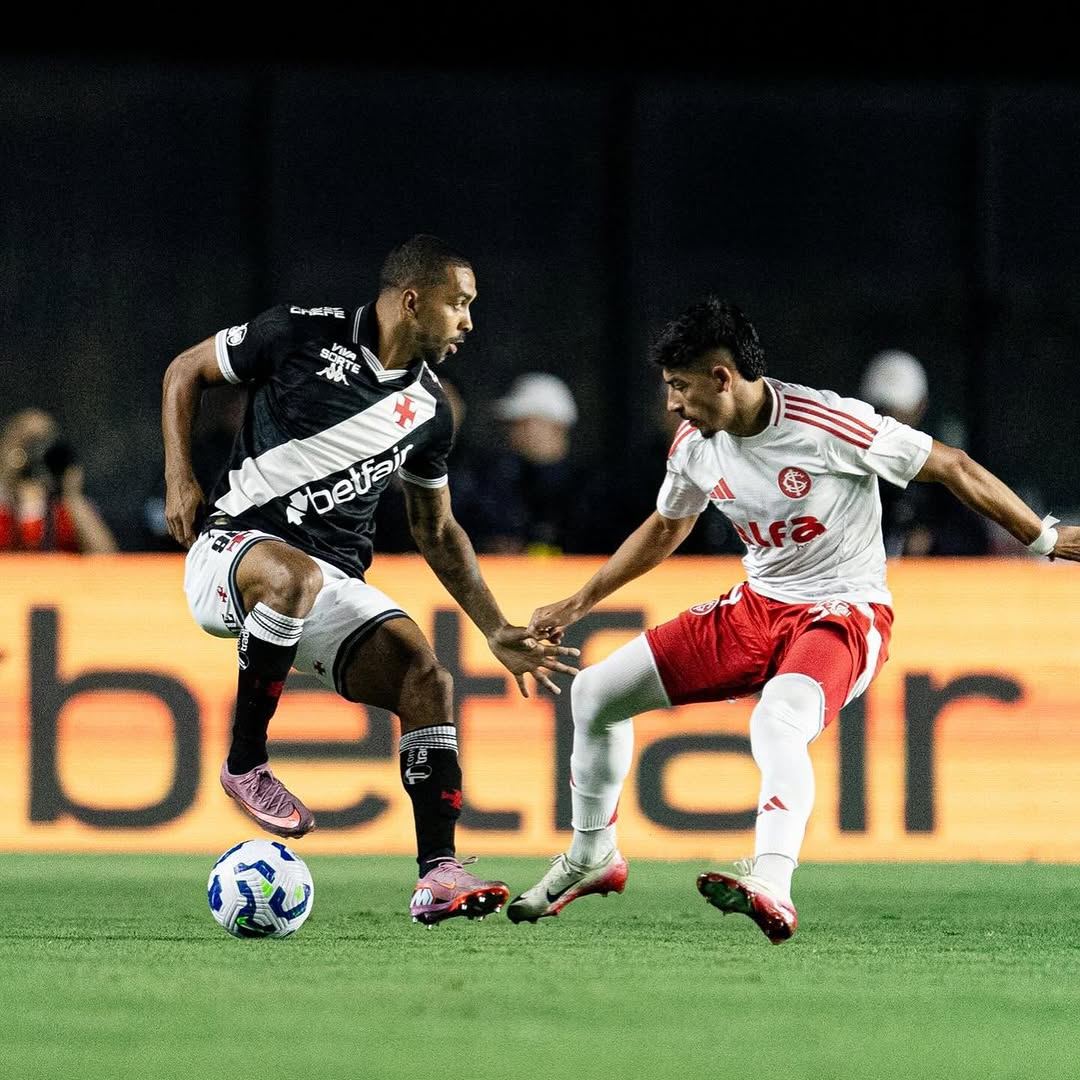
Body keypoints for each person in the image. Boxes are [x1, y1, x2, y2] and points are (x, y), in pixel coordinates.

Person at [506, 297, 1079, 942]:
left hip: (843, 610)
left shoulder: (827, 422)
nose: (672, 404)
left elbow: (951, 466)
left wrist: (1043, 538)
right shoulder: (696, 444)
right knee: (595, 693)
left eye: (680, 386)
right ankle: (592, 856)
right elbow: (668, 526)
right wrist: (579, 601)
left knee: (777, 720)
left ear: (722, 377)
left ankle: (772, 882)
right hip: (756, 607)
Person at [162, 234, 578, 926]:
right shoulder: (297, 332)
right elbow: (185, 370)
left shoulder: (431, 410)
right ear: (412, 301)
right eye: (459, 304)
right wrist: (180, 475)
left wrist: (495, 627)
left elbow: (436, 530)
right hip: (231, 549)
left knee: (428, 679)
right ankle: (246, 761)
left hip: (323, 582)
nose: (468, 322)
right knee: (292, 577)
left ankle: (438, 873)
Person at [858, 349, 992, 557]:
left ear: (920, 406)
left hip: (924, 576)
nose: (889, 423)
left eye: (899, 414)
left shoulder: (940, 468)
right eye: (882, 412)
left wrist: (932, 542)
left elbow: (975, 540)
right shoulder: (848, 462)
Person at [0, 407, 118, 553]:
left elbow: (106, 556)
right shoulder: (3, 504)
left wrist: (72, 494)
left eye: (40, 441)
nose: (33, 453)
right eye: (26, 441)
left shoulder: (66, 506)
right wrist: (7, 478)